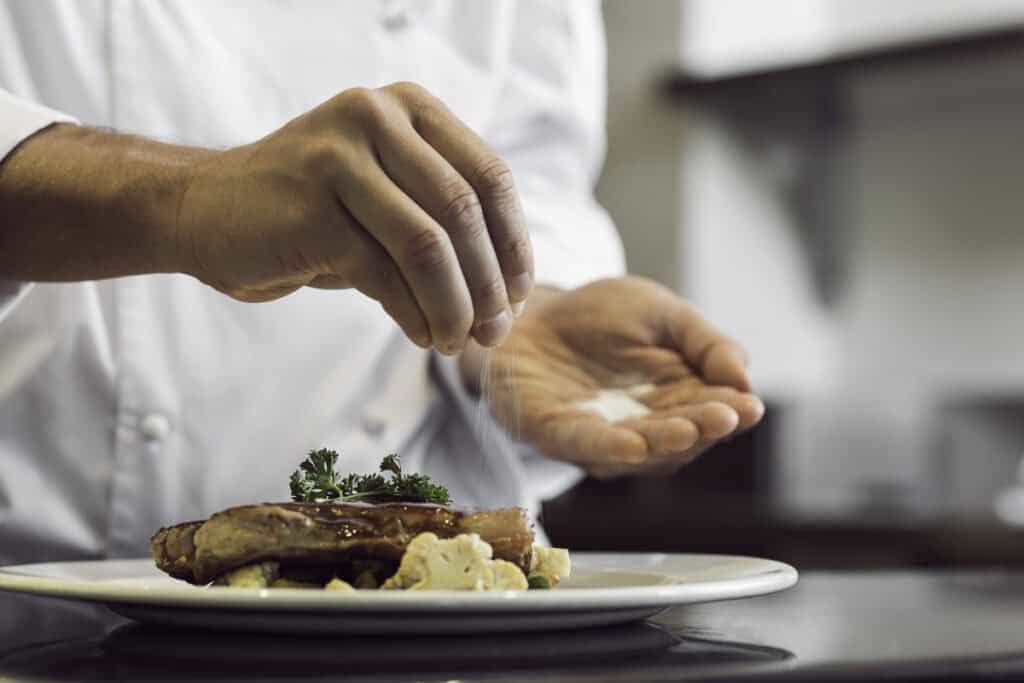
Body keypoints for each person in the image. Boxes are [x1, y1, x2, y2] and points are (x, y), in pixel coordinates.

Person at [0, 1, 763, 564]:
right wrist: (187, 199)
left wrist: (510, 312)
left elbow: (534, 167)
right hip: (36, 608)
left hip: (424, 607)